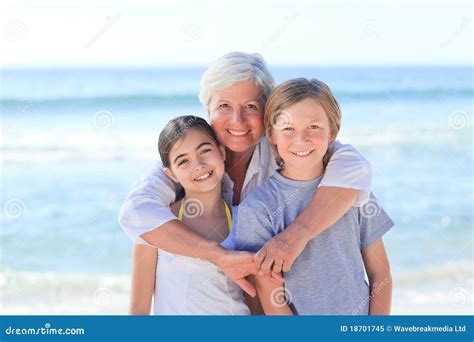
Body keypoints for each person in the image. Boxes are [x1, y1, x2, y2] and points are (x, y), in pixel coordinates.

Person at [118, 52, 372, 298]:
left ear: (267, 111)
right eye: (224, 106)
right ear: (208, 110)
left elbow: (353, 165)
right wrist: (217, 256)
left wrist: (295, 237)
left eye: (250, 106)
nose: (237, 120)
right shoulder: (189, 160)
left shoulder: (286, 149)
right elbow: (136, 211)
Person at [232, 78, 393, 315]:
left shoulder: (353, 190)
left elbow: (380, 273)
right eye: (288, 128)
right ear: (272, 135)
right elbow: (270, 296)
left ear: (333, 131)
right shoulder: (257, 209)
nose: (301, 139)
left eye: (314, 127)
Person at [129, 116, 251, 315]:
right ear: (171, 174)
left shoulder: (245, 221)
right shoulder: (155, 227)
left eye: (204, 151)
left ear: (221, 152)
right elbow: (137, 313)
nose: (198, 165)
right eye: (183, 161)